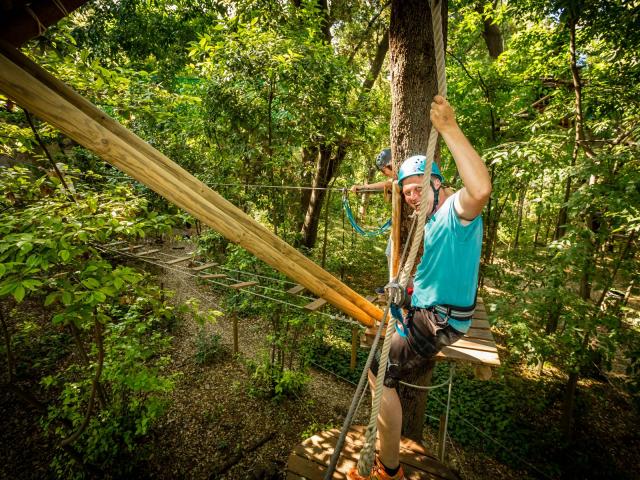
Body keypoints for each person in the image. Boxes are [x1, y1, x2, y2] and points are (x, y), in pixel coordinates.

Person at [348, 95, 491, 480]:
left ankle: (388, 468)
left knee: (381, 373)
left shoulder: (455, 213)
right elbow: (434, 274)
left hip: (439, 320)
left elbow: (479, 190)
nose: (411, 196)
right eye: (407, 191)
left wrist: (449, 129)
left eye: (417, 188)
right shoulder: (431, 220)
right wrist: (406, 290)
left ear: (437, 184)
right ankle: (387, 457)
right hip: (428, 308)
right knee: (382, 362)